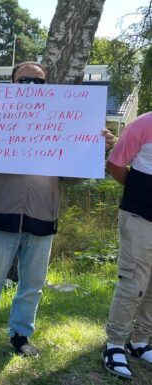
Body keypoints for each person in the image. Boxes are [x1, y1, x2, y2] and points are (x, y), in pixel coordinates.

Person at [0, 62, 116, 363]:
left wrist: (98, 149)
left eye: (38, 81)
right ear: (12, 84)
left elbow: (71, 177)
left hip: (43, 217)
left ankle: (21, 335)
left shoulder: (61, 123)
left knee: (32, 284)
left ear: (47, 85)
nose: (31, 86)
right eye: (24, 80)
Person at [102, 110, 152, 380]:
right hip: (140, 217)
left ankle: (140, 341)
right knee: (133, 283)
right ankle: (115, 345)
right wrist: (138, 192)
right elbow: (115, 164)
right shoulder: (144, 124)